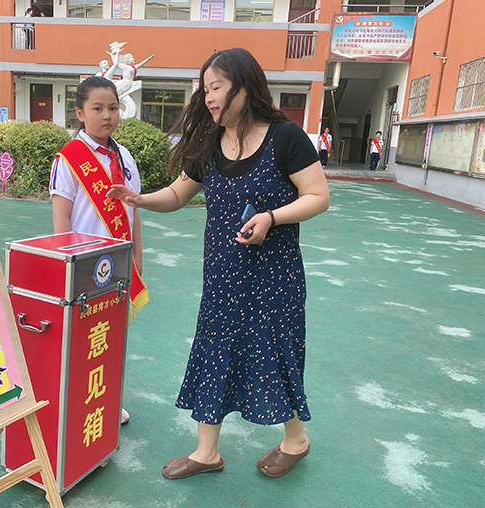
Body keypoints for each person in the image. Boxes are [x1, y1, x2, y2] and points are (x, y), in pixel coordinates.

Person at [107, 48, 330, 479]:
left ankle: (296, 440)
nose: (209, 98)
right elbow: (177, 194)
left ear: (245, 87)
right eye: (205, 89)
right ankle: (206, 452)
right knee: (214, 354)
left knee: (274, 354)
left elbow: (317, 196)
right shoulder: (209, 143)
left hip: (275, 278)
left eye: (217, 88)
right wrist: (138, 199)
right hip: (223, 277)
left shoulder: (286, 137)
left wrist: (271, 217)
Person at [50, 75, 147, 425]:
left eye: (113, 108)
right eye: (97, 109)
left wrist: (138, 257)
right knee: (81, 339)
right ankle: (77, 405)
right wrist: (66, 264)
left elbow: (133, 211)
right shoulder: (69, 159)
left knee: (110, 337)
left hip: (119, 265)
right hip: (85, 266)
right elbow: (61, 217)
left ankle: (107, 399)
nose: (107, 115)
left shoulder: (125, 157)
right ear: (79, 113)